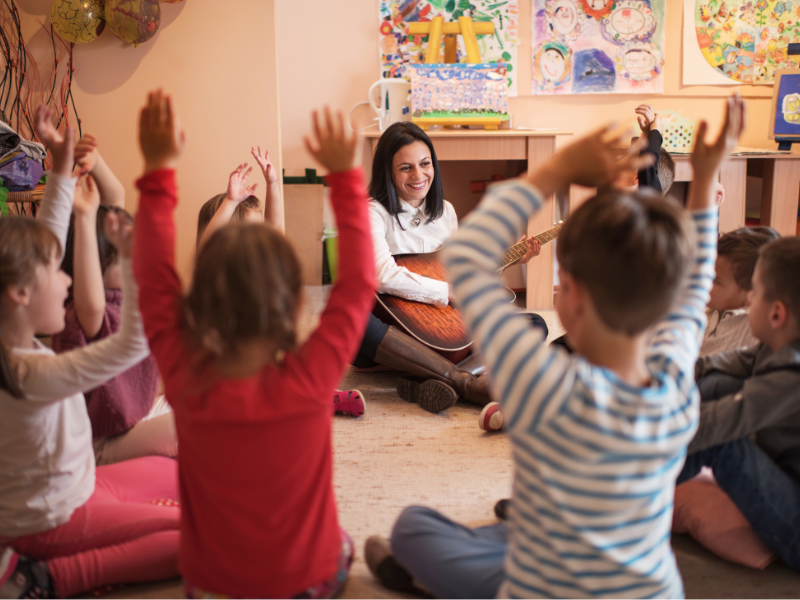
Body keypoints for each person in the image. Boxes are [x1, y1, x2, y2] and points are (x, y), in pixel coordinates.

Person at [365, 94, 746, 599]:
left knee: (414, 525)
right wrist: (706, 187)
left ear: (570, 302)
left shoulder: (546, 388)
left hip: (541, 583)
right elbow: (696, 279)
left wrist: (559, 167)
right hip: (650, 589)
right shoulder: (677, 375)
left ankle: (454, 562)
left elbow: (473, 273)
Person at [132, 91, 374, 598]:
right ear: (293, 305)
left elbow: (153, 285)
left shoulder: (184, 375)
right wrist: (346, 179)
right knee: (343, 545)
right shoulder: (311, 377)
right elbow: (357, 287)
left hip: (212, 586)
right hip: (303, 583)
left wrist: (158, 171)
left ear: (200, 301)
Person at [0, 105, 179, 599]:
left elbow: (47, 247)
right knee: (201, 533)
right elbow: (133, 343)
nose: (66, 279)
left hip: (78, 488)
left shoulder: (17, 346)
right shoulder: (34, 372)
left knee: (183, 478)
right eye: (56, 275)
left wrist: (59, 169)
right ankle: (45, 578)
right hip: (50, 519)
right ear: (19, 295)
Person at [354, 121, 544, 413]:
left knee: (534, 325)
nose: (419, 175)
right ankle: (463, 381)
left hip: (438, 333)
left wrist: (508, 262)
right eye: (406, 168)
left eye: (425, 164)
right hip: (390, 336)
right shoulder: (371, 213)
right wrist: (447, 290)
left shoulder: (446, 212)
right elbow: (381, 275)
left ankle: (426, 376)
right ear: (388, 172)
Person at [197, 158, 367, 418]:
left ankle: (318, 399)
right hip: (224, 378)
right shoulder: (214, 277)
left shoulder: (259, 273)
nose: (260, 238)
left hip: (263, 369)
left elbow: (273, 226)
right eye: (249, 232)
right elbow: (209, 246)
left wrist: (273, 184)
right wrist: (230, 202)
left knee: (289, 379)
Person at [51, 134, 177, 465]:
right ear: (96, 263)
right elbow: (91, 304)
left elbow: (116, 195)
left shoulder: (124, 297)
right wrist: (82, 215)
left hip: (132, 421)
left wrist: (94, 160)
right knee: (187, 428)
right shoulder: (86, 311)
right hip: (97, 444)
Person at [678, 236, 800, 572]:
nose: (748, 302)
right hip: (784, 474)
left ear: (776, 313)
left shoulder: (791, 375)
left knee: (721, 441)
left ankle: (626, 490)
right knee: (718, 384)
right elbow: (709, 367)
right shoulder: (776, 345)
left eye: (755, 295)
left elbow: (720, 423)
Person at [701, 226, 780, 358]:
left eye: (716, 281)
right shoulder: (713, 310)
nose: (705, 282)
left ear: (751, 296)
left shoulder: (753, 329)